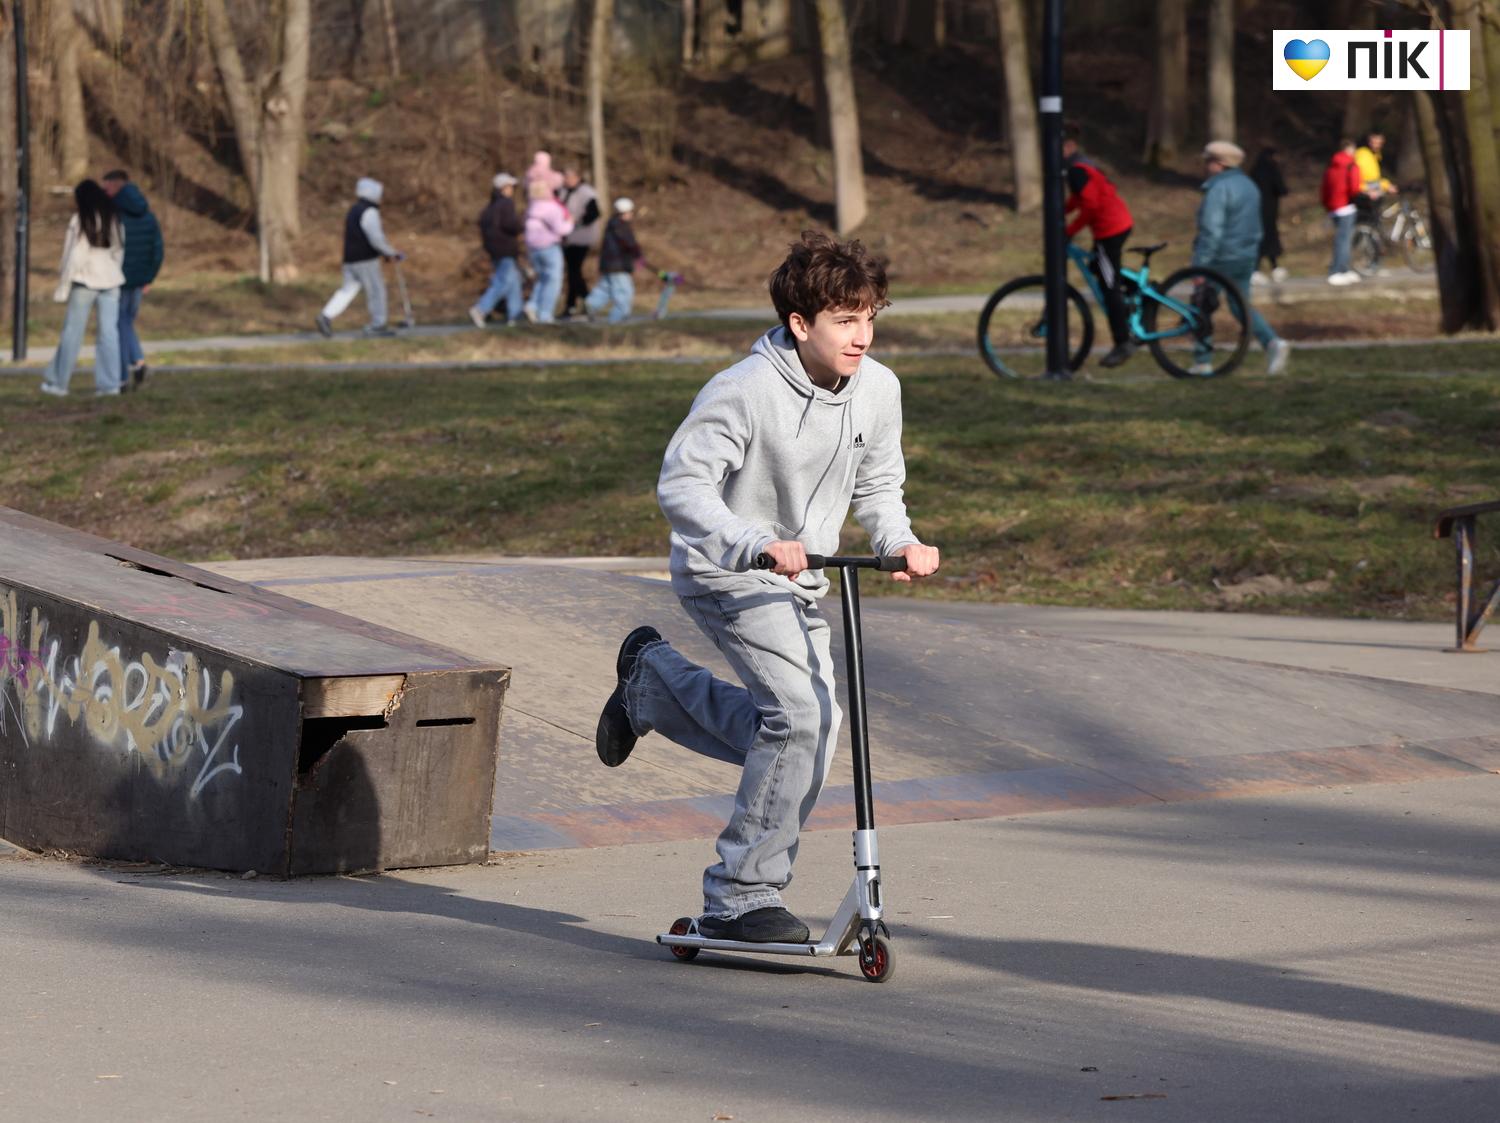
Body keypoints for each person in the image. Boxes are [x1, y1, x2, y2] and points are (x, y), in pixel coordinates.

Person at [593, 231, 941, 944]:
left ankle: (653, 687)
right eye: (846, 320)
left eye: (871, 316)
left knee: (805, 727)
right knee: (801, 721)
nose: (863, 335)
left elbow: (879, 484)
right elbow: (682, 484)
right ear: (800, 324)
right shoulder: (744, 390)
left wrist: (896, 541)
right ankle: (740, 896)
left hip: (801, 579)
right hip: (727, 571)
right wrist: (748, 542)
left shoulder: (879, 389)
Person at [1192, 141, 1290, 376]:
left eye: (1209, 162)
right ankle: (1272, 342)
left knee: (1201, 306)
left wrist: (1200, 266)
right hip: (1245, 256)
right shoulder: (1249, 185)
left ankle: (1202, 360)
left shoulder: (1218, 189)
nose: (1206, 166)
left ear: (1219, 164)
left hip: (1219, 258)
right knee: (1240, 307)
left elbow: (1211, 231)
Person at [40, 180, 125, 398]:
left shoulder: (79, 220)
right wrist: (113, 270)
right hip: (111, 279)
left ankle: (59, 383)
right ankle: (110, 385)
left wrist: (63, 285)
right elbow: (118, 249)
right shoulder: (113, 217)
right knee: (109, 334)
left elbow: (74, 256)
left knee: (72, 333)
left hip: (84, 280)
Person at [1062, 127, 1135, 367]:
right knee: (1099, 267)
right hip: (1116, 225)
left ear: (1070, 146)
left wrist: (1069, 231)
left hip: (1109, 230)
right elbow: (1079, 198)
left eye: (1059, 147)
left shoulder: (1076, 170)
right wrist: (1061, 212)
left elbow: (1090, 206)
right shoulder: (1080, 167)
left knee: (1108, 285)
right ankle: (1131, 298)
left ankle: (1123, 342)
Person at [316, 177, 403, 337]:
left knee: (347, 291)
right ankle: (378, 325)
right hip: (365, 260)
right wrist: (390, 253)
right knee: (377, 291)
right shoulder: (369, 211)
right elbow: (375, 238)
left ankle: (326, 315)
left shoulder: (354, 210)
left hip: (349, 260)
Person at [100, 169, 163, 391]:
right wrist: (149, 277)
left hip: (117, 277)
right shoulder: (147, 214)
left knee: (119, 324)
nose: (104, 191)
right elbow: (157, 249)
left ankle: (124, 374)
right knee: (125, 322)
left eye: (106, 186)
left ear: (115, 185)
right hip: (139, 280)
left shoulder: (113, 213)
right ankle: (138, 363)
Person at [469, 172, 524, 328]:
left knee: (514, 281)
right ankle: (481, 309)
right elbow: (510, 224)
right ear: (503, 188)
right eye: (510, 186)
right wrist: (521, 226)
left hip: (494, 249)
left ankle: (515, 314)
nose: (512, 189)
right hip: (505, 248)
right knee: (503, 281)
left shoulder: (490, 207)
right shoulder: (506, 204)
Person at [521, 178, 573, 324]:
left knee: (542, 279)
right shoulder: (551, 207)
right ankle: (545, 314)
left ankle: (533, 305)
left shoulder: (531, 208)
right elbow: (561, 229)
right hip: (550, 247)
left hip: (533, 249)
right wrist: (570, 223)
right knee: (554, 281)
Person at [584, 197, 641, 324]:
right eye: (631, 212)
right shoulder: (621, 226)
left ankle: (592, 304)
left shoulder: (611, 224)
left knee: (606, 288)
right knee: (624, 291)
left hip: (608, 264)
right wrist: (638, 255)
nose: (631, 215)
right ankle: (618, 318)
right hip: (618, 265)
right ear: (626, 212)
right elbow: (630, 244)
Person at [559, 167, 601, 319]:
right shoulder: (563, 191)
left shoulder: (586, 192)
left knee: (574, 271)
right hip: (567, 238)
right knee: (572, 272)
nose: (566, 180)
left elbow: (595, 213)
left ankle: (588, 301)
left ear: (577, 177)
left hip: (581, 237)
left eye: (569, 177)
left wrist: (577, 222)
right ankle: (573, 305)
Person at [1321, 138, 1363, 286]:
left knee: (1341, 239)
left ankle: (1344, 269)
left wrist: (1327, 205)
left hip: (1333, 207)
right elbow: (1354, 188)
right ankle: (1337, 270)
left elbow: (1324, 188)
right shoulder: (1351, 165)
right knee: (1344, 241)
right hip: (1346, 206)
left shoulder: (1331, 165)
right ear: (1350, 149)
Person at [1248, 147, 1288, 286]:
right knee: (1269, 239)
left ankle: (1263, 268)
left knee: (1260, 240)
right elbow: (1282, 189)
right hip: (1270, 211)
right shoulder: (1272, 170)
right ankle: (1272, 267)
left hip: (1255, 211)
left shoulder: (1254, 170)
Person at [1354, 131, 1396, 197]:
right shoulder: (1363, 154)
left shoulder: (1375, 155)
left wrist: (1386, 184)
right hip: (1365, 192)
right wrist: (1385, 185)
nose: (1378, 146)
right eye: (1375, 142)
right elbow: (1365, 181)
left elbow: (1375, 179)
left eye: (1380, 143)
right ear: (1369, 141)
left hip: (1370, 189)